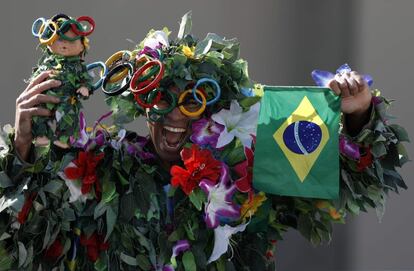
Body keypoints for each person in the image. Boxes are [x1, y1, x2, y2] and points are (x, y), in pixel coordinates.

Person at [0, 12, 408, 271]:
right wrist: (21, 144)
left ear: (213, 110)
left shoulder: (249, 174)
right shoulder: (100, 171)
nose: (176, 115)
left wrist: (357, 116)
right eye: (161, 99)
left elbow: (352, 180)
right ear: (143, 107)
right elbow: (22, 232)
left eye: (193, 101)